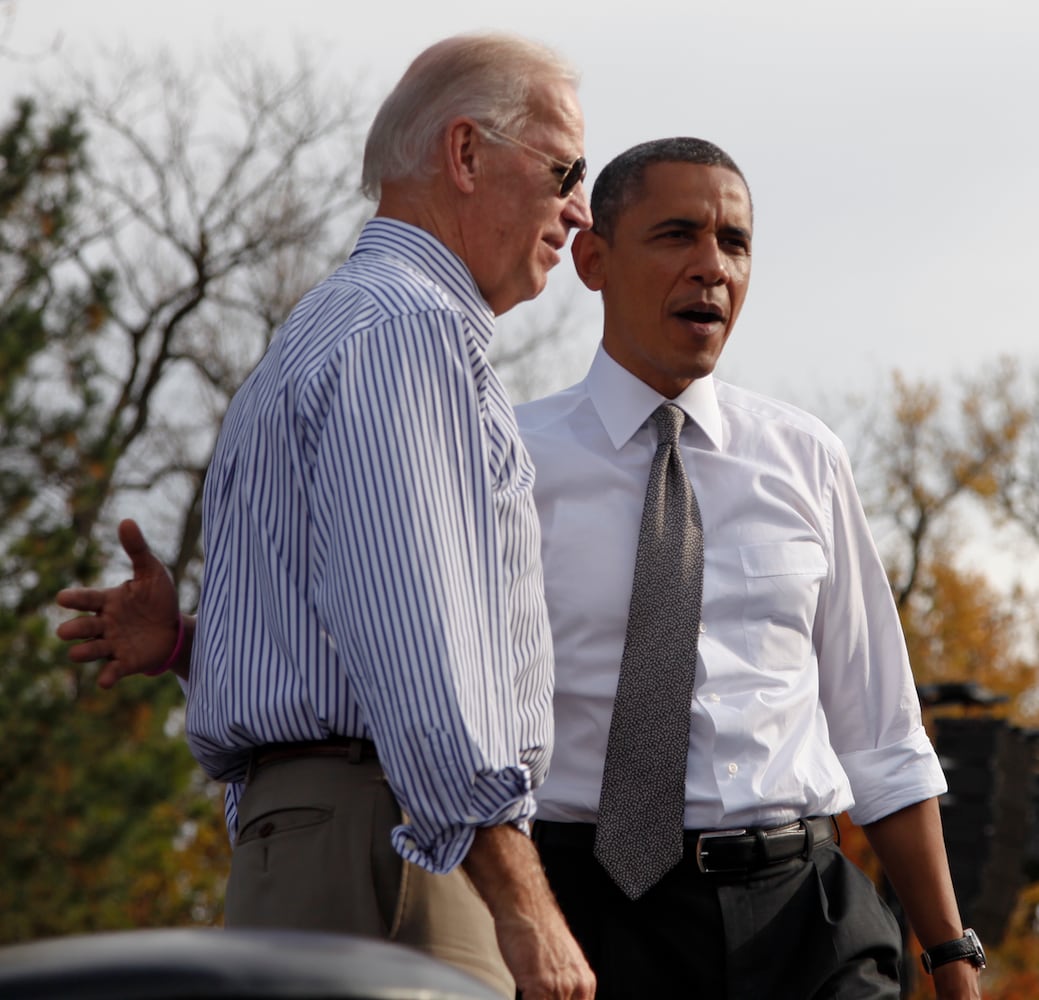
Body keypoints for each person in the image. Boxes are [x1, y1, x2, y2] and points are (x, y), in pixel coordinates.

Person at [59, 138, 983, 999]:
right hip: (587, 910)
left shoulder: (806, 458)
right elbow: (394, 643)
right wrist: (192, 644)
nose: (713, 266)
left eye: (734, 242)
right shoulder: (501, 454)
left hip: (802, 915)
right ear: (593, 260)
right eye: (676, 235)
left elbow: (882, 733)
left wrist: (948, 949)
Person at [59, 31, 596, 1000]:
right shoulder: (406, 330)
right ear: (465, 154)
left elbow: (342, 628)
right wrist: (526, 906)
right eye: (565, 168)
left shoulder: (333, 323)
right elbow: (421, 645)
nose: (579, 209)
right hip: (397, 852)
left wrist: (194, 644)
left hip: (328, 846)